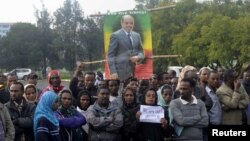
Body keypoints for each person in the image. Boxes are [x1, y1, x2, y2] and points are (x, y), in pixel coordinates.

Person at [108, 14, 144, 81]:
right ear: (121, 23)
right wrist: (113, 72)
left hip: (134, 72)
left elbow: (141, 51)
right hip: (120, 74)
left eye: (131, 23)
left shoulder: (137, 36)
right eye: (126, 23)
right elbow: (110, 56)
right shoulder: (115, 36)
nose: (129, 25)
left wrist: (138, 57)